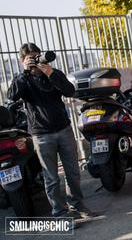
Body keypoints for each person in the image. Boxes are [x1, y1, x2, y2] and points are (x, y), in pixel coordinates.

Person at [7, 43, 95, 219]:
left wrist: (51, 73)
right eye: (30, 57)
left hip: (64, 129)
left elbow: (70, 91)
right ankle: (60, 212)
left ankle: (77, 205)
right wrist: (25, 72)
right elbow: (12, 95)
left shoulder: (53, 74)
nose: (35, 60)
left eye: (37, 56)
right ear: (22, 60)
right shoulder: (22, 80)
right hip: (41, 135)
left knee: (73, 173)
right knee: (51, 177)